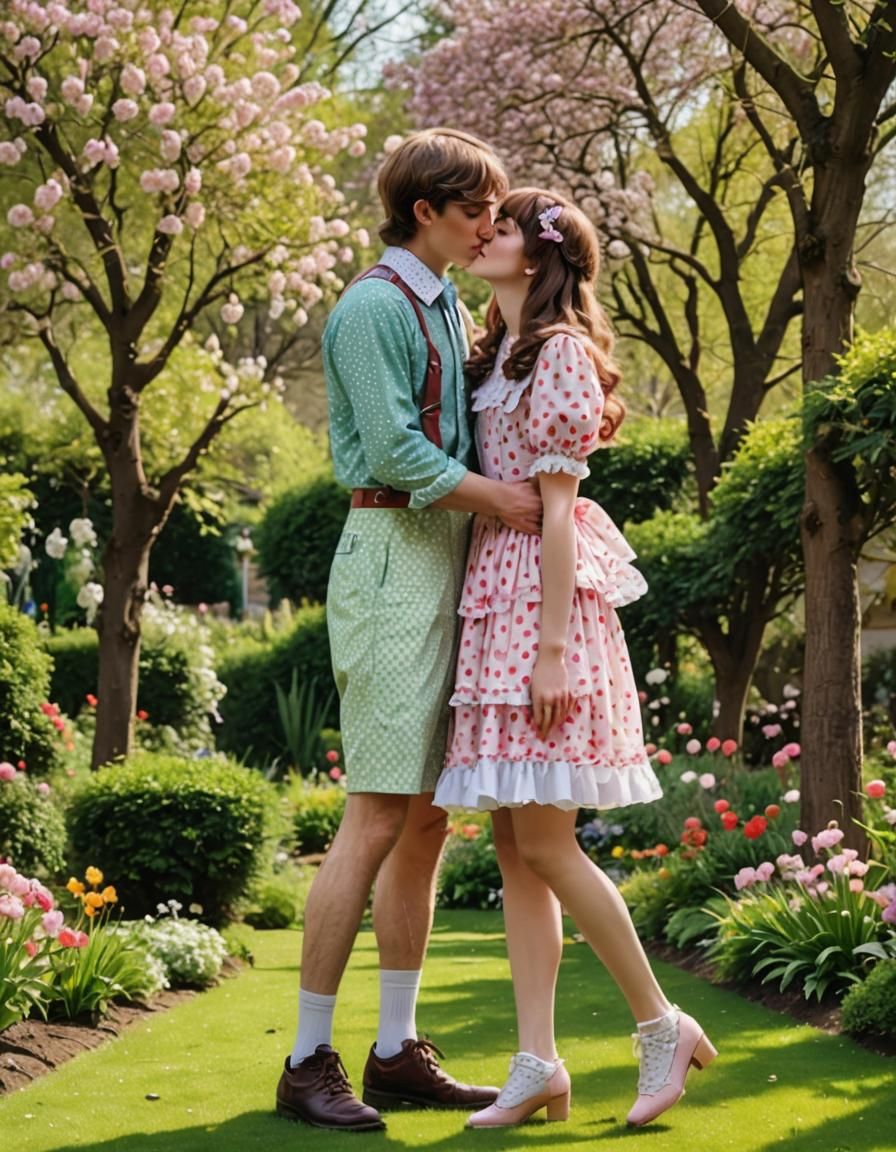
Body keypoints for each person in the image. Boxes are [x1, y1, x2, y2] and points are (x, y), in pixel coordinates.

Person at [275, 131, 544, 1132]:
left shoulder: (440, 303)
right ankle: (306, 1060)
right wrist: (506, 503)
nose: (490, 223)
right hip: (392, 557)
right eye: (475, 206)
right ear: (424, 209)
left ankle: (394, 1050)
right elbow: (391, 445)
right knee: (377, 814)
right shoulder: (368, 308)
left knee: (426, 824)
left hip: (447, 561)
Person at [433, 188, 717, 1129]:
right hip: (497, 601)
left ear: (541, 256)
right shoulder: (498, 361)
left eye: (503, 227)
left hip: (542, 612)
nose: (486, 234)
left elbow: (558, 512)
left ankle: (660, 1023)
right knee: (517, 848)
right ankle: (538, 1062)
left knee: (547, 841)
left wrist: (551, 653)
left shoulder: (557, 357)